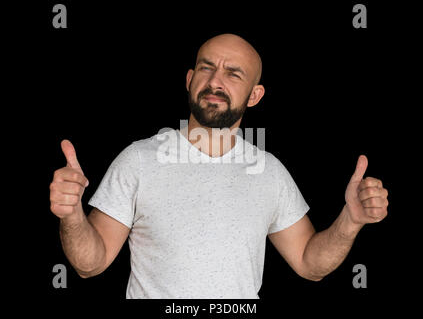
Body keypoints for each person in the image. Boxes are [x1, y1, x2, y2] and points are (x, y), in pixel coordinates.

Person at [49, 34, 389, 299]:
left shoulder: (269, 172)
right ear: (189, 78)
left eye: (233, 73)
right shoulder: (138, 160)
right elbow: (89, 266)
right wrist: (72, 214)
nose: (215, 81)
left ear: (254, 96)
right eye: (206, 67)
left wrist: (351, 220)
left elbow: (309, 264)